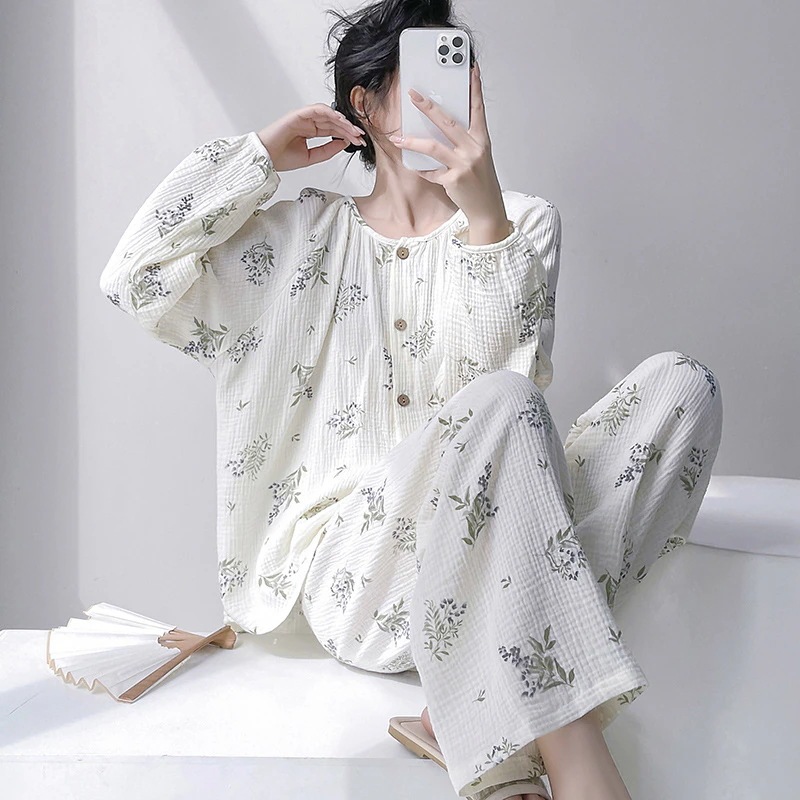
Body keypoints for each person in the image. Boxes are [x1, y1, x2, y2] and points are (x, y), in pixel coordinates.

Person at [99, 1, 723, 798]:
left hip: (489, 555)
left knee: (682, 387)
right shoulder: (293, 240)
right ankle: (564, 748)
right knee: (505, 404)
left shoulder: (521, 224)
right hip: (360, 581)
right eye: (424, 72)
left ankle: (466, 707)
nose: (447, 93)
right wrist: (256, 158)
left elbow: (504, 405)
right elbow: (134, 278)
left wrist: (484, 217)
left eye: (458, 69)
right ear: (364, 104)